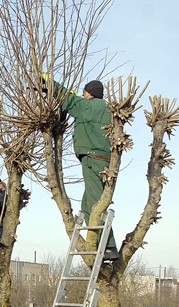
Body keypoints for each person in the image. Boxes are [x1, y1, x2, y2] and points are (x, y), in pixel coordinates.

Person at [44, 74, 119, 261]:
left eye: (84, 91)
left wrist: (48, 81)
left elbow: (68, 99)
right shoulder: (106, 109)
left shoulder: (89, 106)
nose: (82, 94)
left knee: (94, 203)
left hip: (93, 159)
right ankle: (98, 244)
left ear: (90, 93)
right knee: (87, 204)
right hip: (106, 160)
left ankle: (109, 247)